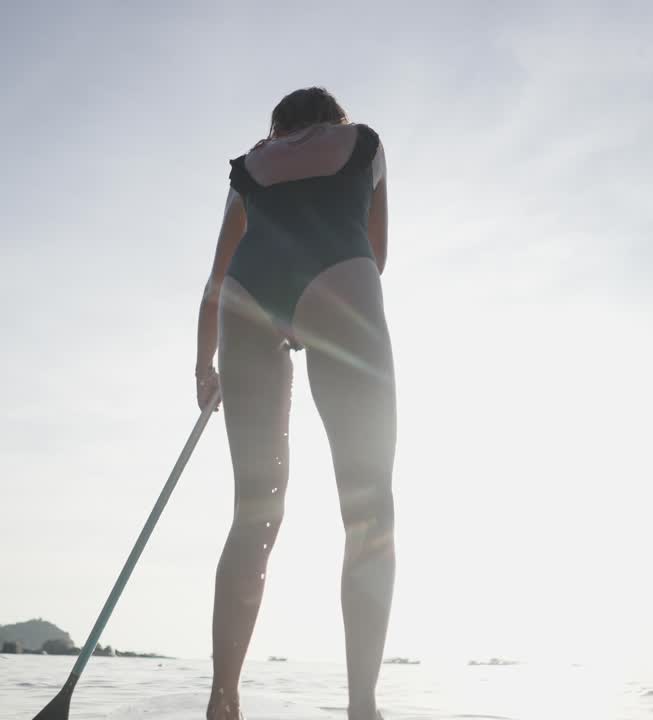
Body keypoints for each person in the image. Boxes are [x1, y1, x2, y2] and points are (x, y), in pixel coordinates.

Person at [195, 87, 395, 720]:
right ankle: (361, 705)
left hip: (248, 298)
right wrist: (321, 321)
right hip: (341, 280)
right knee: (369, 507)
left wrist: (206, 365)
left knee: (254, 512)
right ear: (332, 118)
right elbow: (376, 251)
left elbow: (215, 278)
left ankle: (222, 699)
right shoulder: (364, 142)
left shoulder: (249, 166)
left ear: (277, 125)